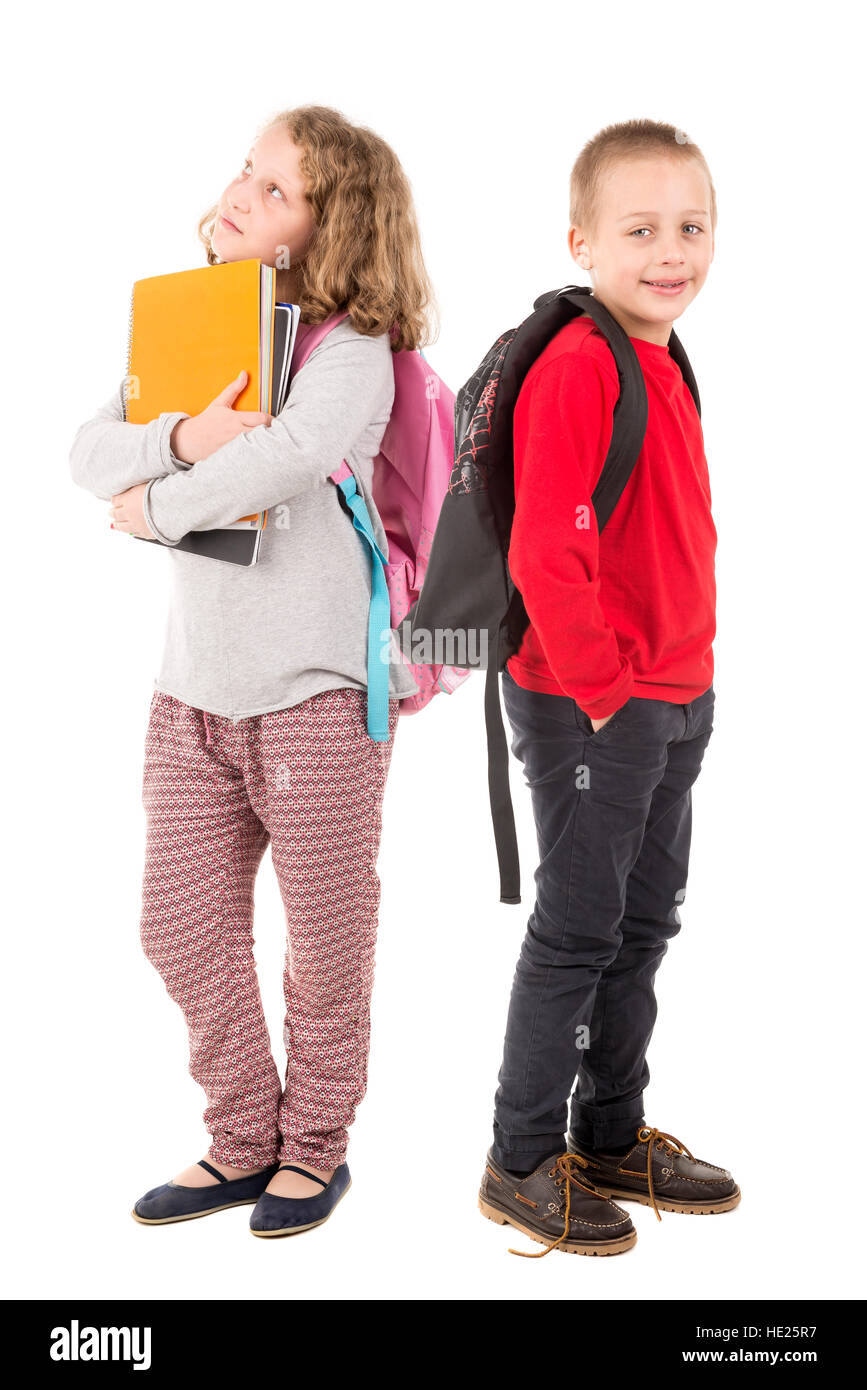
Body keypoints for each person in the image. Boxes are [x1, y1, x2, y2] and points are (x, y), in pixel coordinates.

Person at [69, 104, 434, 1238]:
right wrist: (179, 441)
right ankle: (241, 1138)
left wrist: (144, 512)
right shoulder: (193, 329)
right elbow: (86, 449)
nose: (242, 192)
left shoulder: (354, 355)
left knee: (324, 945)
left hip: (320, 697)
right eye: (246, 171)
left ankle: (313, 1151)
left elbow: (289, 455)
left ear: (333, 232)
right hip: (193, 696)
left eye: (278, 190)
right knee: (176, 928)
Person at [477, 119, 740, 1259]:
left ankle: (612, 1132)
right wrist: (603, 691)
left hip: (675, 693)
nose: (670, 251)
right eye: (640, 229)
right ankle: (522, 1158)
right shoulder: (583, 363)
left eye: (691, 226)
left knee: (643, 925)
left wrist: (672, 685)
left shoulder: (663, 355)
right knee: (579, 931)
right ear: (583, 239)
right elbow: (548, 551)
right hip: (598, 701)